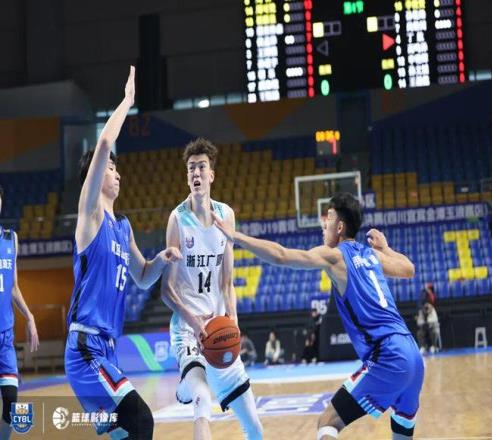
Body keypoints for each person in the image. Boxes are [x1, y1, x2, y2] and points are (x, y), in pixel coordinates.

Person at [213, 192, 424, 440]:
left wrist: (236, 236)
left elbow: (281, 255)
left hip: (389, 355)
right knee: (401, 434)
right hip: (414, 355)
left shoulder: (335, 256)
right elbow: (408, 269)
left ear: (340, 227)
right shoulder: (372, 255)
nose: (324, 223)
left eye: (329, 217)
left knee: (328, 421)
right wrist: (386, 248)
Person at [64, 66, 181, 439]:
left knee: (125, 433)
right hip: (86, 347)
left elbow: (142, 276)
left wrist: (162, 259)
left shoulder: (123, 226)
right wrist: (127, 101)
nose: (118, 174)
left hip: (108, 349)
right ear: (96, 176)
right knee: (142, 420)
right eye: (112, 169)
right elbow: (103, 145)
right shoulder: (90, 215)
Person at [160, 138, 263, 440]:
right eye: (191, 168)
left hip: (218, 328)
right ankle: (188, 384)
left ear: (211, 175)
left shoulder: (226, 216)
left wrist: (233, 321)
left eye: (202, 167)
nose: (196, 173)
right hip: (189, 331)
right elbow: (166, 291)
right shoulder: (177, 219)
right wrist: (195, 323)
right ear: (187, 176)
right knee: (203, 399)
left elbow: (227, 282)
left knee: (255, 428)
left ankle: (186, 385)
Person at [0, 185, 39, 440]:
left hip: (5, 338)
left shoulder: (10, 239)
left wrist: (30, 317)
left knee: (11, 403)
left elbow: (13, 286)